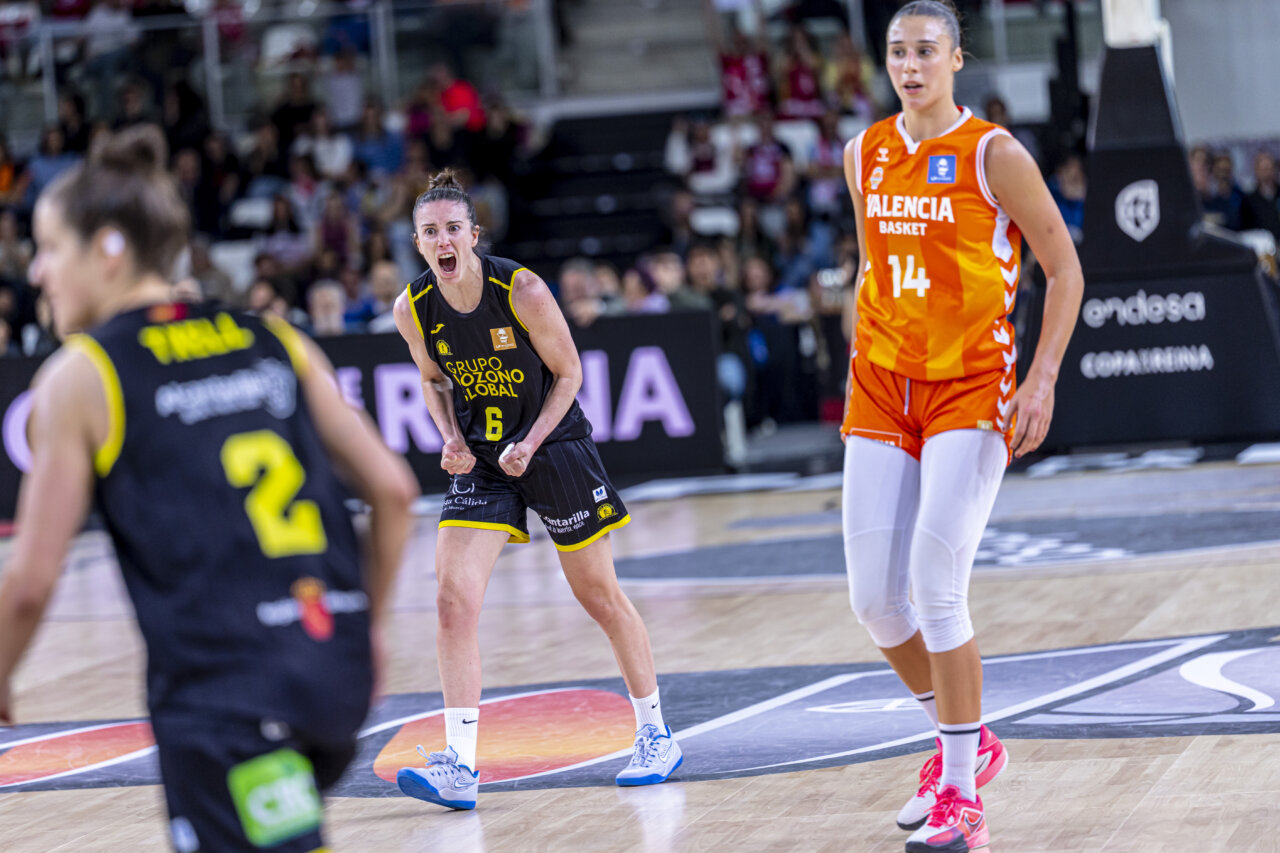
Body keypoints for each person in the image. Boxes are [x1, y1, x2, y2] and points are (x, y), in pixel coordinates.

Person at [0, 125, 419, 851]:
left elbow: (32, 582)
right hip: (331, 670)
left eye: (51, 248)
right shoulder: (273, 337)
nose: (37, 272)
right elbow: (392, 490)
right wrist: (369, 628)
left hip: (226, 695)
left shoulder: (83, 374)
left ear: (109, 248)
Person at [840, 3, 1083, 851]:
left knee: (936, 584)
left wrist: (1042, 376)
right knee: (875, 600)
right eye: (898, 52)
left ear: (956, 59)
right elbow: (874, 265)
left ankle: (958, 790)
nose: (910, 65)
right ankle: (971, 741)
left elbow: (1064, 266)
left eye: (926, 51)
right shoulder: (861, 151)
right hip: (880, 382)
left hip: (970, 384)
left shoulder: (993, 152)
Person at [392, 169, 682, 810]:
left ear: (474, 234)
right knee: (451, 600)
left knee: (600, 598)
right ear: (418, 242)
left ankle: (656, 733)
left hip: (552, 447)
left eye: (453, 229)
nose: (444, 240)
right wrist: (448, 435)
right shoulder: (412, 307)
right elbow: (433, 380)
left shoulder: (519, 288)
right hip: (485, 460)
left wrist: (532, 440)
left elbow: (571, 371)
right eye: (430, 232)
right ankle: (459, 767)